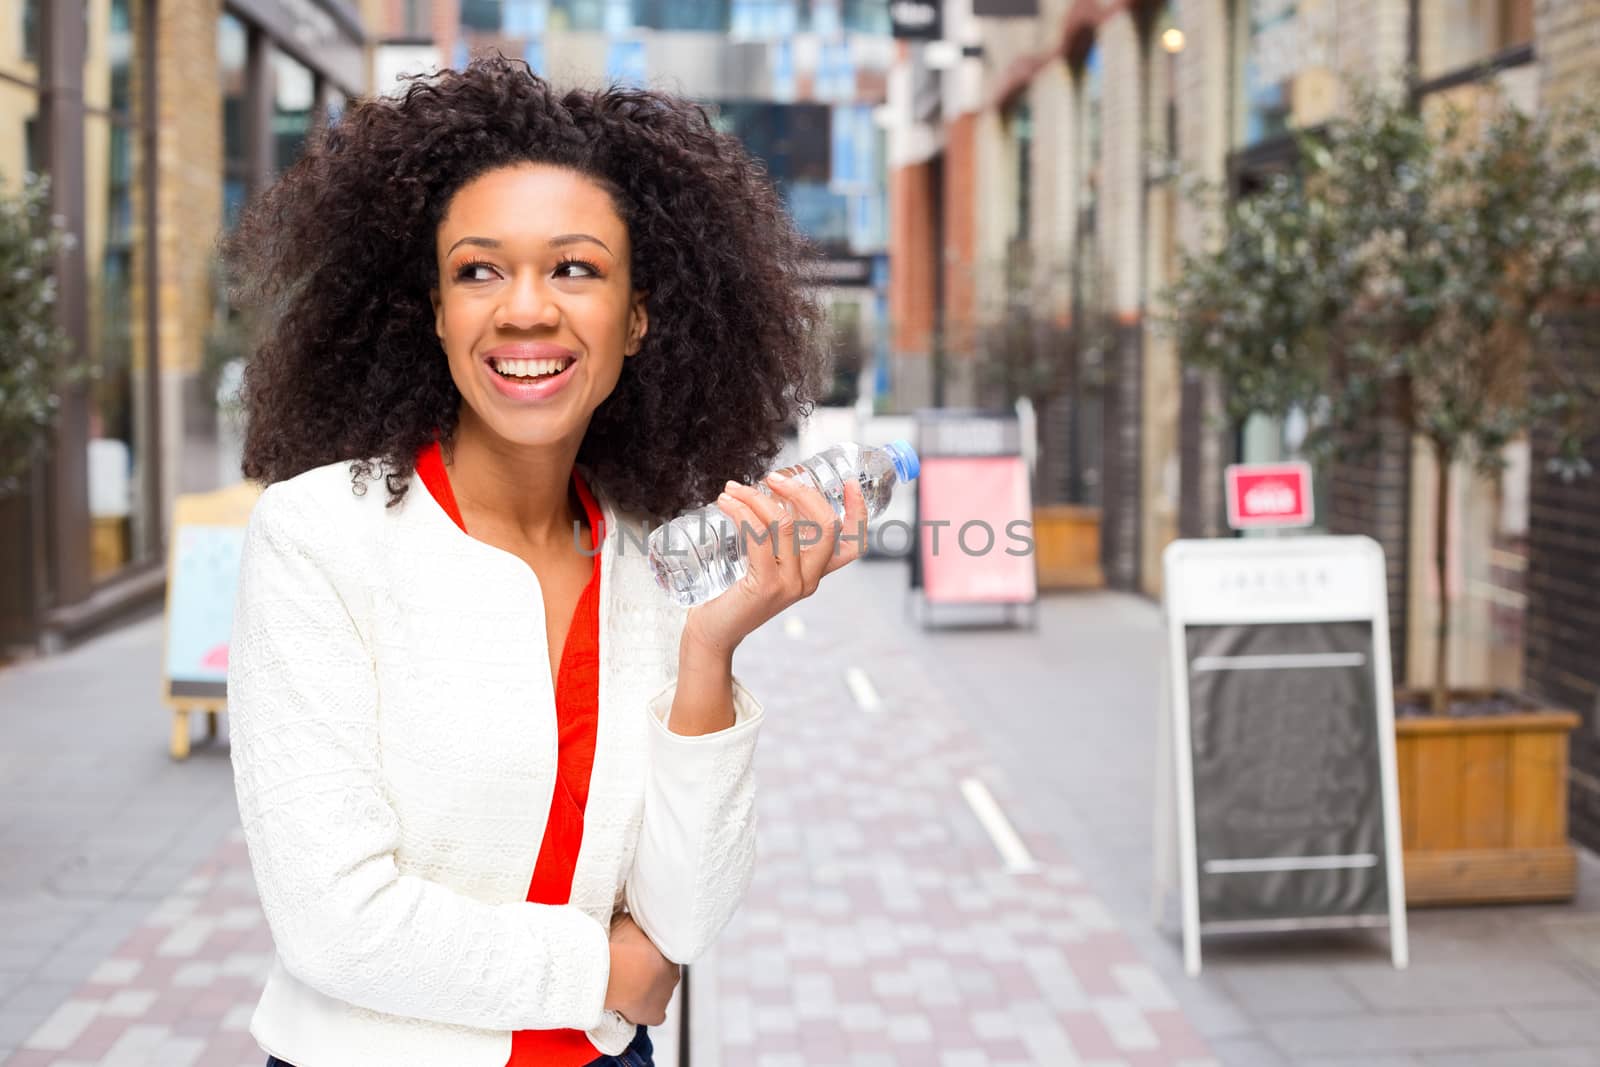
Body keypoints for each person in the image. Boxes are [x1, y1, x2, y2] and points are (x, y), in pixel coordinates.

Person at [224, 55, 865, 1067]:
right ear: (435, 312)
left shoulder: (654, 562)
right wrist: (598, 973)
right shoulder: (319, 537)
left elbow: (683, 922)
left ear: (639, 316)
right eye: (479, 270)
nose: (524, 309)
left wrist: (710, 655)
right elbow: (334, 920)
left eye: (574, 267)